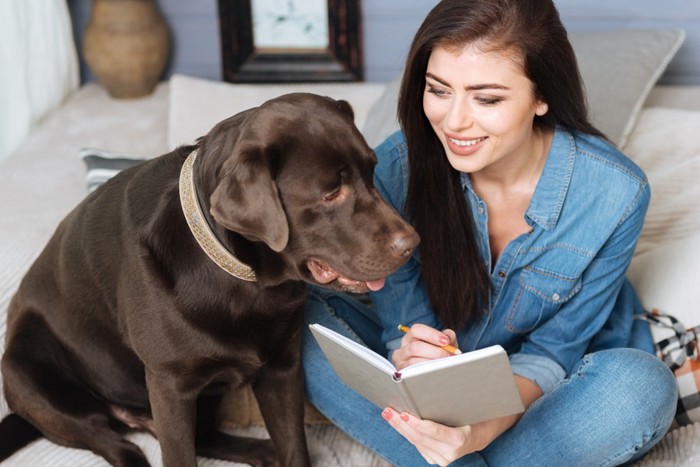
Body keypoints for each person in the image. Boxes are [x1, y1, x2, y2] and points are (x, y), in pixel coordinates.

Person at [302, 0, 678, 465]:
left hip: (536, 396)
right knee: (295, 309)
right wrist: (411, 355)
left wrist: (479, 432)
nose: (454, 121)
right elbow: (398, 323)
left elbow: (552, 353)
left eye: (487, 98)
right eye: (439, 90)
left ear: (542, 97)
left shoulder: (615, 194)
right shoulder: (394, 169)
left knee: (639, 387)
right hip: (429, 389)